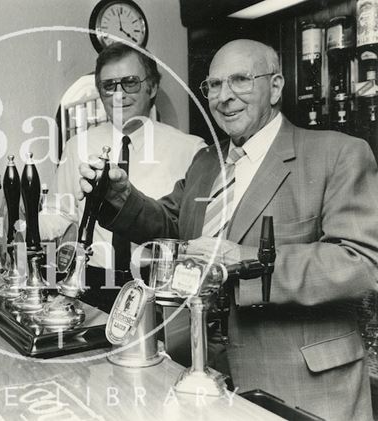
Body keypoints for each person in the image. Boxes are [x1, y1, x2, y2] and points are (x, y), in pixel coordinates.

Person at [79, 39, 378, 420]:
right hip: (204, 377)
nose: (224, 96)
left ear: (275, 86)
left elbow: (362, 263)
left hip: (302, 385)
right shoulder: (206, 162)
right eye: (214, 85)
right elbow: (172, 223)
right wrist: (121, 197)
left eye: (240, 80)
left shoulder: (336, 154)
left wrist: (244, 262)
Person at [42, 42, 204, 312]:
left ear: (152, 87)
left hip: (158, 287)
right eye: (109, 86)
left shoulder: (190, 150)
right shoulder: (76, 147)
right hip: (92, 282)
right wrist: (25, 226)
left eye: (130, 83)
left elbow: (188, 231)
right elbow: (60, 214)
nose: (119, 95)